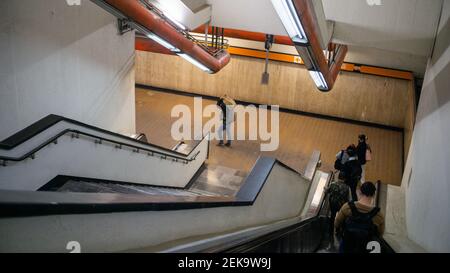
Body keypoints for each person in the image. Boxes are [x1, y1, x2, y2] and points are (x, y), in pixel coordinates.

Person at [334, 182, 385, 253]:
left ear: (360, 192)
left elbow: (336, 224)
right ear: (373, 195)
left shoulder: (347, 207)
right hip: (365, 248)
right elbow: (380, 234)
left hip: (347, 246)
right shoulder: (379, 215)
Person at [325, 172, 350, 240]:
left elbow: (327, 191)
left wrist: (325, 189)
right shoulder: (347, 187)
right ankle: (338, 230)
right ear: (344, 178)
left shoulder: (333, 184)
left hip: (333, 204)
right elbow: (348, 198)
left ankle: (330, 230)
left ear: (338, 177)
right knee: (341, 218)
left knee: (332, 216)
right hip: (341, 205)